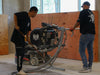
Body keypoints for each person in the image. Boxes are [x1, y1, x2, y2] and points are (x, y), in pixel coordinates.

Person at [11, 6, 38, 74]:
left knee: (22, 53)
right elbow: (15, 15)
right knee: (20, 53)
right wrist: (16, 25)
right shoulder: (24, 14)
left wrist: (28, 40)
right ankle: (19, 70)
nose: (35, 15)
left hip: (22, 38)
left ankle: (20, 68)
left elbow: (28, 30)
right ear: (33, 12)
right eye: (36, 13)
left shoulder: (29, 19)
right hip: (17, 36)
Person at [70, 1, 95, 73]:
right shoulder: (91, 13)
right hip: (92, 34)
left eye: (83, 6)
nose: (83, 7)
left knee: (81, 50)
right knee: (90, 51)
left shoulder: (83, 12)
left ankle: (85, 67)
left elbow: (79, 21)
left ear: (84, 5)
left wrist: (73, 28)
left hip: (85, 34)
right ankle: (89, 67)